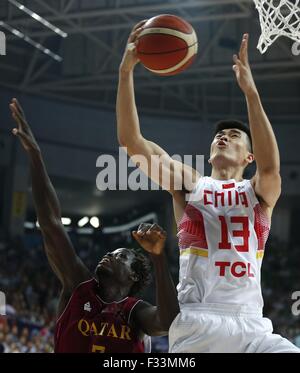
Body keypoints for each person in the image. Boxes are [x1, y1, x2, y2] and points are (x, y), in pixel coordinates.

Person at [117, 24, 299, 353]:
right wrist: (126, 71)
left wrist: (251, 93)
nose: (222, 136)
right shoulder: (189, 184)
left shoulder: (258, 193)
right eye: (219, 134)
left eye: (233, 134)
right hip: (198, 322)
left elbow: (271, 167)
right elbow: (132, 143)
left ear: (249, 155)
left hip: (253, 326)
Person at [9, 98, 179, 353]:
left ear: (133, 276)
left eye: (121, 256)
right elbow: (51, 223)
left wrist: (158, 258)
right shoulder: (78, 285)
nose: (110, 254)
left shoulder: (136, 311)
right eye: (112, 252)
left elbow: (168, 322)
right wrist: (35, 156)